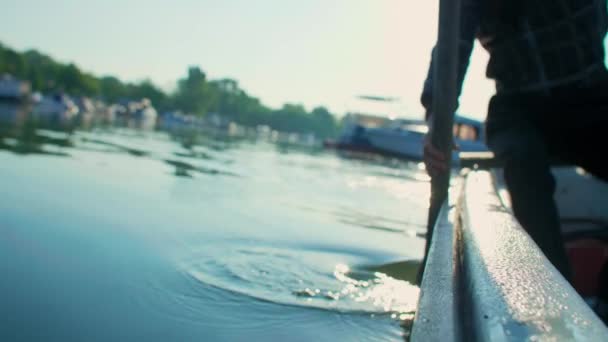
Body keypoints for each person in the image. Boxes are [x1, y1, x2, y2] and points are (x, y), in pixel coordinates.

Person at [422, 0, 608, 281]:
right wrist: (439, 119)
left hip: (590, 96)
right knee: (522, 159)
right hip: (518, 107)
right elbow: (454, 44)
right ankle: (555, 288)